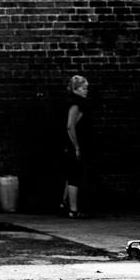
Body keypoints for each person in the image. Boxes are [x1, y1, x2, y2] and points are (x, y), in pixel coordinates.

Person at [59, 75, 92, 218]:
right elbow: (70, 126)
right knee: (74, 175)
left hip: (69, 143)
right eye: (83, 88)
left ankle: (64, 203)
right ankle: (73, 209)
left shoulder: (71, 102)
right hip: (72, 143)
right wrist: (76, 146)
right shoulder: (76, 104)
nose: (86, 91)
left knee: (70, 174)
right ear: (76, 89)